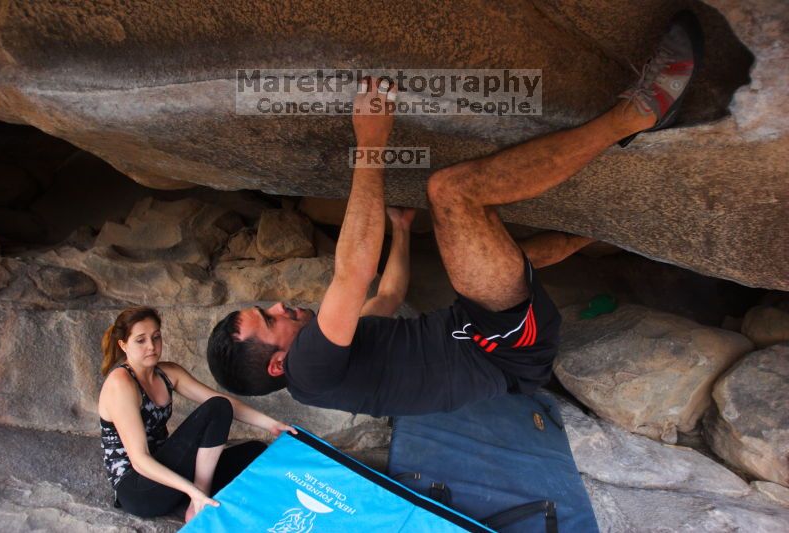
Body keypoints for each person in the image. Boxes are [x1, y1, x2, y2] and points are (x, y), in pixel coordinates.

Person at [207, 13, 702, 416]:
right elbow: (353, 273)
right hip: (503, 345)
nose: (279, 307)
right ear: (277, 365)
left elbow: (389, 293)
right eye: (269, 320)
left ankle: (591, 234)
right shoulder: (310, 366)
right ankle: (638, 113)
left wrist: (401, 231)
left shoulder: (332, 365)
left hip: (484, 333)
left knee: (500, 261)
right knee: (451, 191)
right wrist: (371, 141)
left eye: (265, 307)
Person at [98, 306, 295, 522]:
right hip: (139, 489)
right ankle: (198, 501)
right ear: (123, 344)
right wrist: (193, 491)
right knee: (217, 408)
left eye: (156, 337)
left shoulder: (167, 373)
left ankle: (197, 496)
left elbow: (226, 403)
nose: (151, 346)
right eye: (140, 340)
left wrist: (271, 424)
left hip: (167, 476)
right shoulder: (121, 383)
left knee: (255, 451)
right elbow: (139, 460)